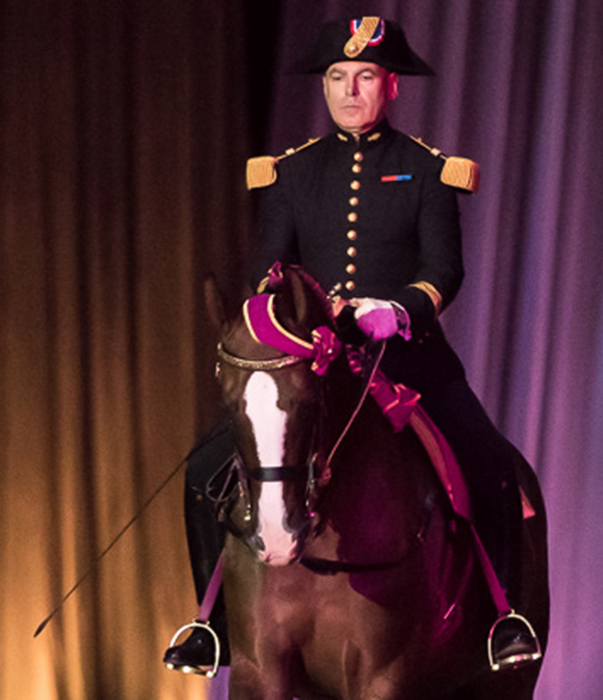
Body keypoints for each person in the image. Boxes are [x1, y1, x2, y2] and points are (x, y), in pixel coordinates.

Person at [163, 15, 540, 674]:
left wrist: (400, 307)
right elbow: (268, 269)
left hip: (406, 355)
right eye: (338, 77)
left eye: (365, 77)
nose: (350, 90)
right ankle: (213, 623)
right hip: (313, 360)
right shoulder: (293, 172)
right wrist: (303, 316)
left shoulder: (424, 170)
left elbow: (444, 269)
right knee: (202, 471)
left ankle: (505, 619)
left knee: (492, 463)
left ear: (390, 85)